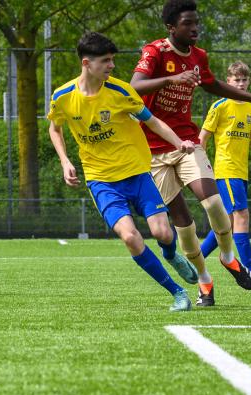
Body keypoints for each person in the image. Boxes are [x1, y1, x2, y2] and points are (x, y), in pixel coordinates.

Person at [130, 0, 251, 307]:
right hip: (152, 151)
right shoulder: (155, 52)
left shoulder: (199, 56)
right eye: (188, 23)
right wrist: (172, 79)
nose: (195, 28)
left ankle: (227, 257)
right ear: (171, 27)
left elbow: (214, 85)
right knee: (183, 223)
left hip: (185, 143)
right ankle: (205, 282)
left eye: (197, 22)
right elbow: (135, 87)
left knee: (212, 201)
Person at [47, 31, 200, 312]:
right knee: (130, 237)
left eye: (112, 60)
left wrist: (180, 143)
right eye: (106, 61)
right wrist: (64, 161)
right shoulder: (63, 97)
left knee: (163, 233)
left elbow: (152, 121)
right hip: (102, 180)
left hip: (137, 172)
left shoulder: (120, 92)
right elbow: (54, 128)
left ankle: (171, 254)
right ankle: (177, 293)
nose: (112, 66)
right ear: (86, 63)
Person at [198, 61, 251, 283]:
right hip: (225, 169)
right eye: (236, 80)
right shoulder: (220, 106)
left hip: (241, 171)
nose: (240, 84)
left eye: (244, 80)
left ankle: (196, 259)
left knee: (227, 223)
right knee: (242, 215)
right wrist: (200, 166)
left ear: (249, 81)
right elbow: (202, 138)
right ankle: (249, 269)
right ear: (227, 81)